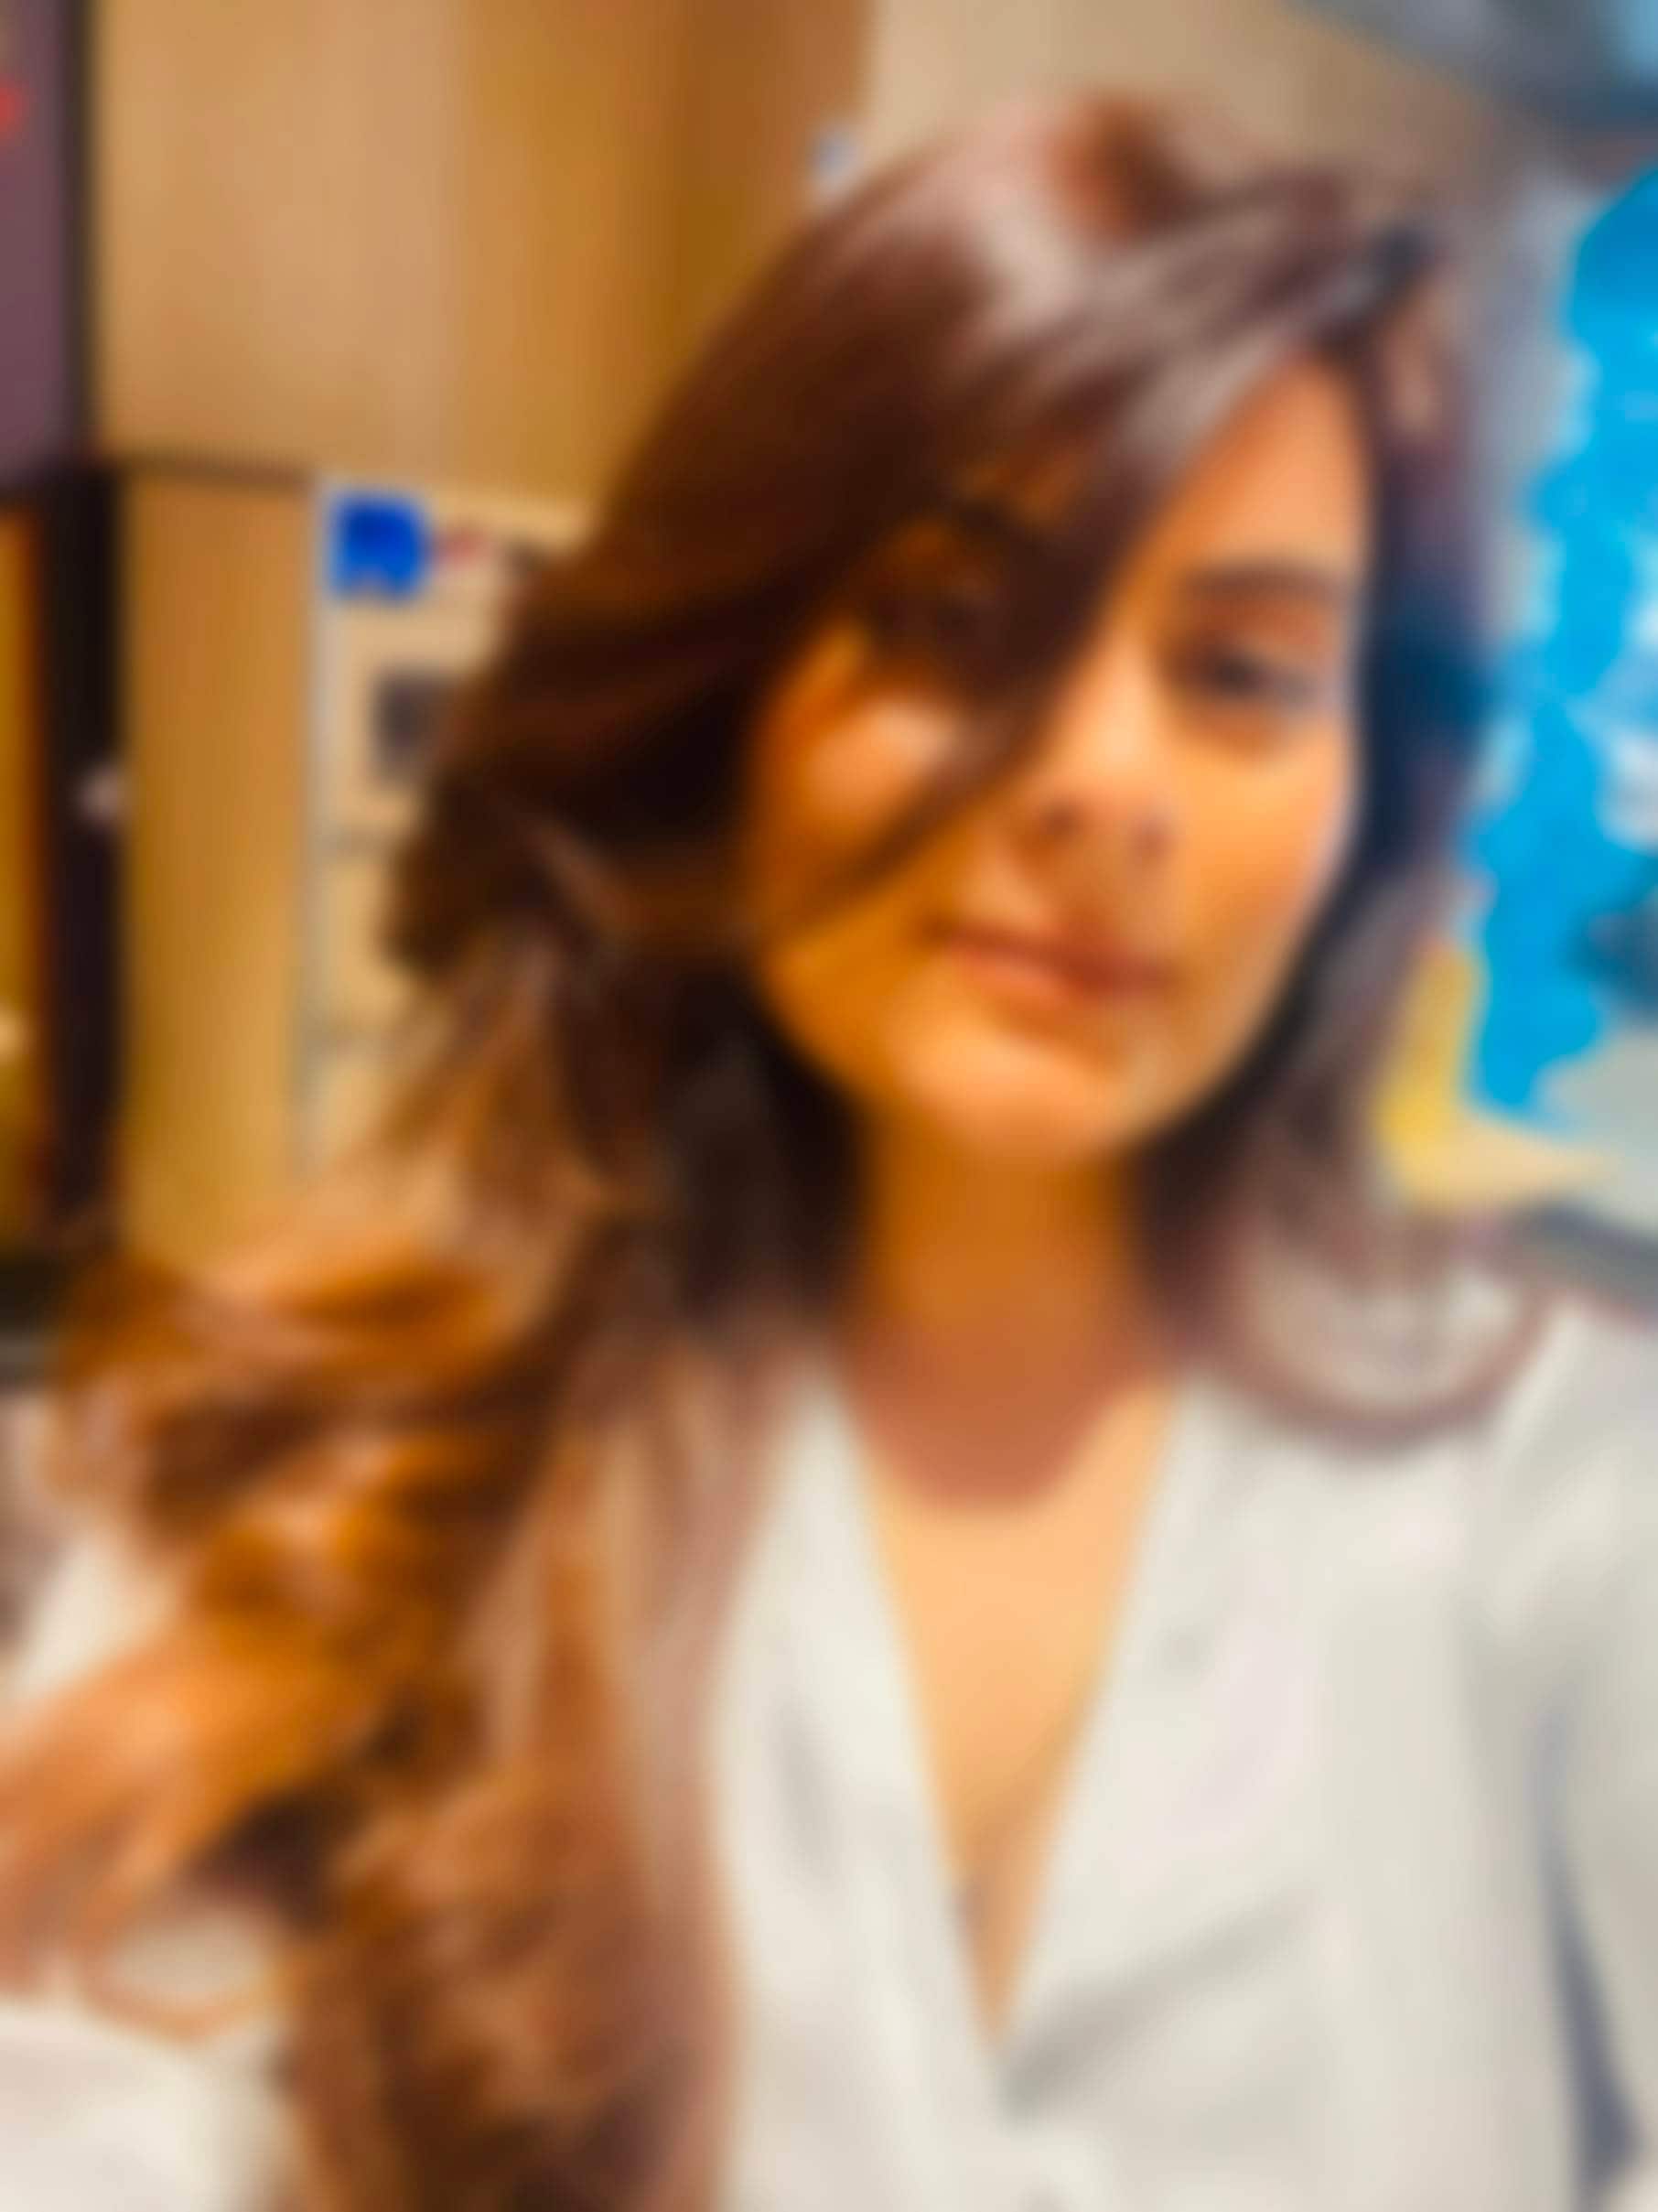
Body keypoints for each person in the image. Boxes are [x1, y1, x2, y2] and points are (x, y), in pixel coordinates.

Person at [0, 92, 1654, 2212]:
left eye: (1243, 671)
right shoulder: (345, 1458)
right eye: (954, 624)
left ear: (1368, 792)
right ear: (724, 696)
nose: (1105, 784)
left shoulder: (1557, 1493)